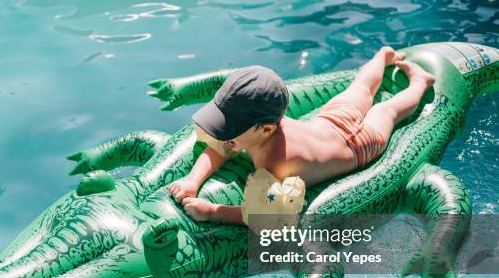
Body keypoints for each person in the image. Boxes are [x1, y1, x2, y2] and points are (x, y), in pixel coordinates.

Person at [167, 46, 436, 224]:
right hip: (332, 120)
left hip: (359, 145)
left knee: (387, 110)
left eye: (230, 129)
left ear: (266, 129)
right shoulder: (258, 129)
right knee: (362, 87)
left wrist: (213, 212)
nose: (224, 135)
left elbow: (267, 217)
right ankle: (383, 57)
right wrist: (193, 181)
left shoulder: (275, 165)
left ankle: (421, 82)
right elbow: (218, 148)